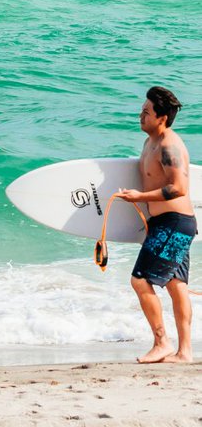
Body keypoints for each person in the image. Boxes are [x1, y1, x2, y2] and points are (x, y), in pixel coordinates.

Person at [117, 86, 196, 364]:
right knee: (176, 285)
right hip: (170, 223)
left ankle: (162, 342)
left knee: (139, 280)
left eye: (146, 111)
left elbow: (178, 188)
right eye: (142, 109)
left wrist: (139, 197)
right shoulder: (150, 141)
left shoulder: (169, 146)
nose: (141, 115)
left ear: (161, 118)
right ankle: (185, 352)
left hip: (174, 224)